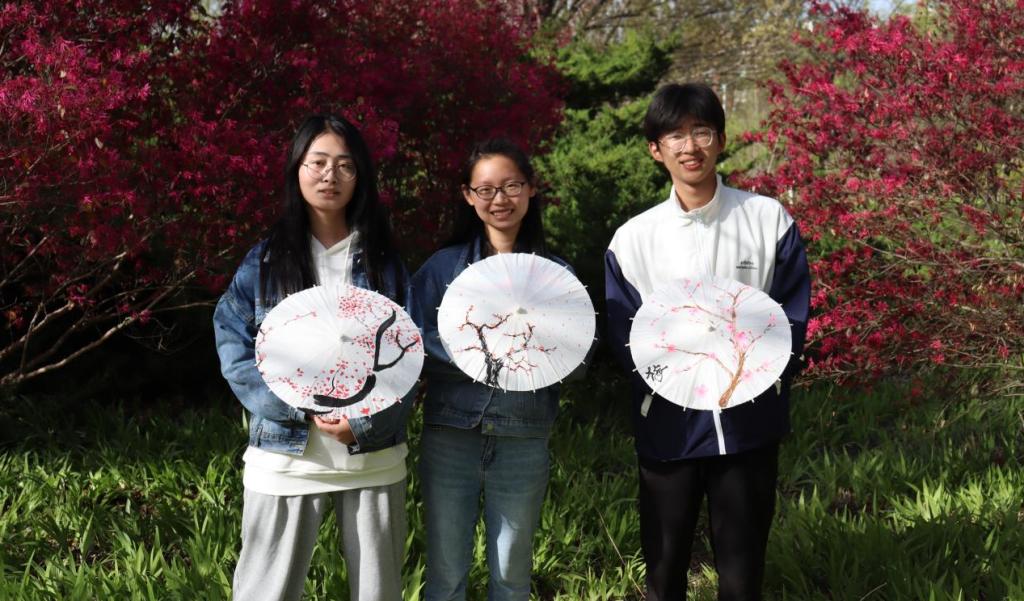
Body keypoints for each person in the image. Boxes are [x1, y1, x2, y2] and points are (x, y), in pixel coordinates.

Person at [604, 83, 811, 600]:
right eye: (674, 135)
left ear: (720, 139)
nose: (689, 146)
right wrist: (670, 387)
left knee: (742, 571)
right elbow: (626, 332)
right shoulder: (634, 239)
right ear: (656, 150)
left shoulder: (767, 219)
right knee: (665, 567)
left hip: (748, 421)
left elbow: (791, 313)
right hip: (669, 425)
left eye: (700, 131)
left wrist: (760, 382)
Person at [213, 114, 412, 601]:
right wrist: (291, 406)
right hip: (284, 457)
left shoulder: (385, 263)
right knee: (264, 591)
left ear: (360, 175)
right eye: (317, 162)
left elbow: (410, 353)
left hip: (372, 457)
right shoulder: (265, 261)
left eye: (344, 165)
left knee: (378, 593)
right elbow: (231, 338)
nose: (330, 175)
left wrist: (365, 422)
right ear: (297, 170)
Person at [411, 138, 581, 601]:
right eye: (485, 189)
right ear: (468, 196)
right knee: (446, 573)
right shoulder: (442, 268)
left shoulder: (557, 274)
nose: (499, 199)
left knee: (511, 572)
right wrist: (478, 359)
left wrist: (535, 356)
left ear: (530, 189)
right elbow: (410, 338)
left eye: (511, 186)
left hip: (523, 435)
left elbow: (578, 357)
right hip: (451, 433)